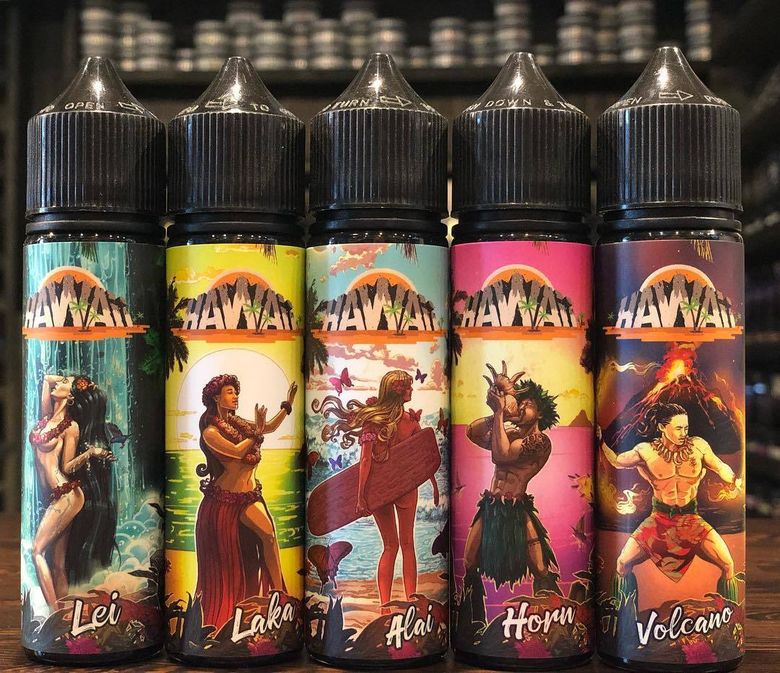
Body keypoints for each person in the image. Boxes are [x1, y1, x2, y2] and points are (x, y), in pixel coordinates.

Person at [598, 402, 742, 603]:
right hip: (658, 521)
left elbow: (719, 466)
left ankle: (730, 613)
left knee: (728, 565)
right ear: (662, 428)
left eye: (686, 428)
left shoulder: (698, 446)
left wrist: (734, 479)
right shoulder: (646, 451)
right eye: (678, 428)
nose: (684, 433)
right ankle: (621, 613)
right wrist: (601, 441)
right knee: (622, 563)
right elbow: (617, 461)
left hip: (692, 521)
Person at [314, 370, 432, 610]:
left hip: (379, 490)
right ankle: (412, 602)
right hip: (405, 487)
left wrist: (361, 496)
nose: (412, 390)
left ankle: (384, 606)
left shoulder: (373, 421)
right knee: (407, 545)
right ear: (397, 392)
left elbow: (366, 462)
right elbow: (421, 456)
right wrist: (430, 478)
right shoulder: (410, 422)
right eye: (408, 387)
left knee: (390, 546)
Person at [461, 361, 561, 625]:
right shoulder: (510, 433)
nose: (522, 407)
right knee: (469, 563)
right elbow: (471, 432)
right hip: (491, 506)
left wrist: (499, 414)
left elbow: (501, 455)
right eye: (521, 402)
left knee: (540, 567)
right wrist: (502, 411)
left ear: (540, 413)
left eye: (528, 404)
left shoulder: (540, 441)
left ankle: (551, 618)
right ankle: (472, 620)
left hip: (515, 509)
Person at [195, 373, 297, 628]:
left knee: (269, 536)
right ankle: (271, 599)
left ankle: (279, 596)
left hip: (250, 495)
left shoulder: (238, 424)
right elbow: (237, 452)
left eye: (236, 391)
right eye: (230, 392)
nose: (235, 396)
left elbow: (268, 427)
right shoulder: (210, 432)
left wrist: (287, 404)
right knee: (265, 538)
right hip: (226, 502)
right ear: (216, 397)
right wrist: (257, 434)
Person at [29, 374, 115, 607]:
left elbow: (67, 467)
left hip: (67, 495)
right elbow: (46, 379)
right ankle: (64, 615)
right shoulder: (46, 417)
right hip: (56, 497)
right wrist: (73, 382)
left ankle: (53, 613)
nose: (58, 383)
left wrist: (91, 453)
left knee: (37, 551)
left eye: (64, 382)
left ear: (71, 397)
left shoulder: (71, 427)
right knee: (58, 563)